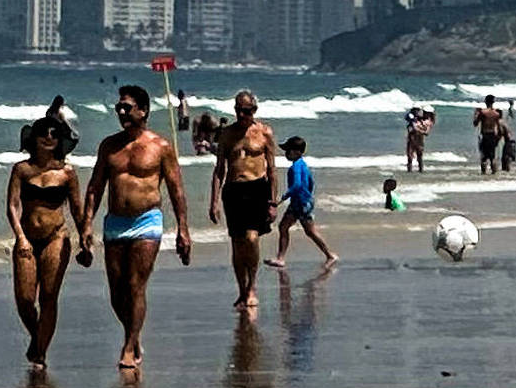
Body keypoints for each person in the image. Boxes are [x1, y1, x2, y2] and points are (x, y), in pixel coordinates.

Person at [83, 85, 193, 370]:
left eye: (127, 107)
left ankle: (130, 344)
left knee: (135, 285)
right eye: (118, 108)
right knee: (117, 292)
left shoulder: (161, 147)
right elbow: (95, 187)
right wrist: (86, 224)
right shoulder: (109, 146)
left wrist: (183, 229)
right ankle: (133, 333)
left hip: (147, 221)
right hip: (115, 223)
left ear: (143, 111)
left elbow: (176, 189)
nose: (121, 112)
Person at [6, 112, 90, 368]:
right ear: (34, 137)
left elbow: (77, 209)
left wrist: (85, 238)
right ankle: (37, 338)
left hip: (57, 237)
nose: (49, 137)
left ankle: (40, 353)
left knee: (49, 297)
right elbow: (12, 206)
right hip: (28, 238)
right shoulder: (21, 169)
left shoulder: (67, 173)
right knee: (24, 299)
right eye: (44, 133)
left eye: (54, 133)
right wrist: (20, 237)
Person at [209, 91, 277, 315]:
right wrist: (214, 201)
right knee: (238, 244)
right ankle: (241, 290)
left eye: (246, 111)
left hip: (257, 188)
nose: (241, 114)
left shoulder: (264, 132)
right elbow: (219, 169)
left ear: (254, 111)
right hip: (234, 190)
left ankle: (251, 286)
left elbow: (273, 170)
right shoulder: (228, 134)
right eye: (238, 110)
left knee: (251, 238)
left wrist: (273, 202)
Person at [268, 136, 336, 269]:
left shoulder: (296, 167)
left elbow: (297, 185)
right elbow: (311, 182)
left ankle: (330, 255)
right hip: (302, 202)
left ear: (297, 152)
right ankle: (280, 258)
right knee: (285, 227)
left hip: (300, 203)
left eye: (289, 150)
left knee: (308, 231)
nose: (286, 153)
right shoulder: (303, 165)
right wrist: (308, 196)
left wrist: (281, 199)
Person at [475, 95, 505, 175]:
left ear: (485, 101)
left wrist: (476, 113)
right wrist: (499, 137)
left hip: (485, 135)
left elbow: (475, 123)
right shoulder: (496, 113)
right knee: (492, 157)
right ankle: (494, 174)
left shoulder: (482, 112)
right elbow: (500, 127)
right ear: (493, 102)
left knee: (483, 157)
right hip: (493, 136)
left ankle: (483, 174)